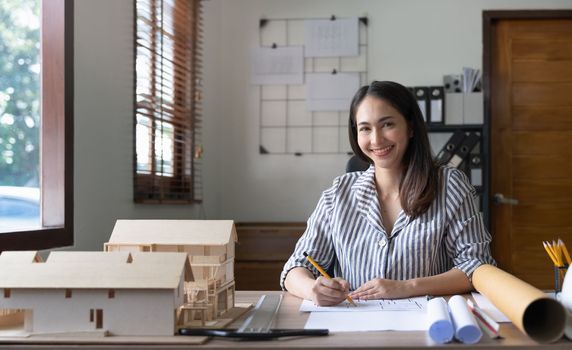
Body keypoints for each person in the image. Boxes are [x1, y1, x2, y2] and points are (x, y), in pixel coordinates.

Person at [280, 81, 495, 306]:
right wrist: (312, 289)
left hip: (427, 327)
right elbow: (295, 268)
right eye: (365, 128)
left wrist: (407, 287)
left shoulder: (449, 185)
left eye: (387, 124)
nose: (376, 139)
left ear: (410, 127)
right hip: (354, 329)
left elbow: (477, 265)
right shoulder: (338, 194)